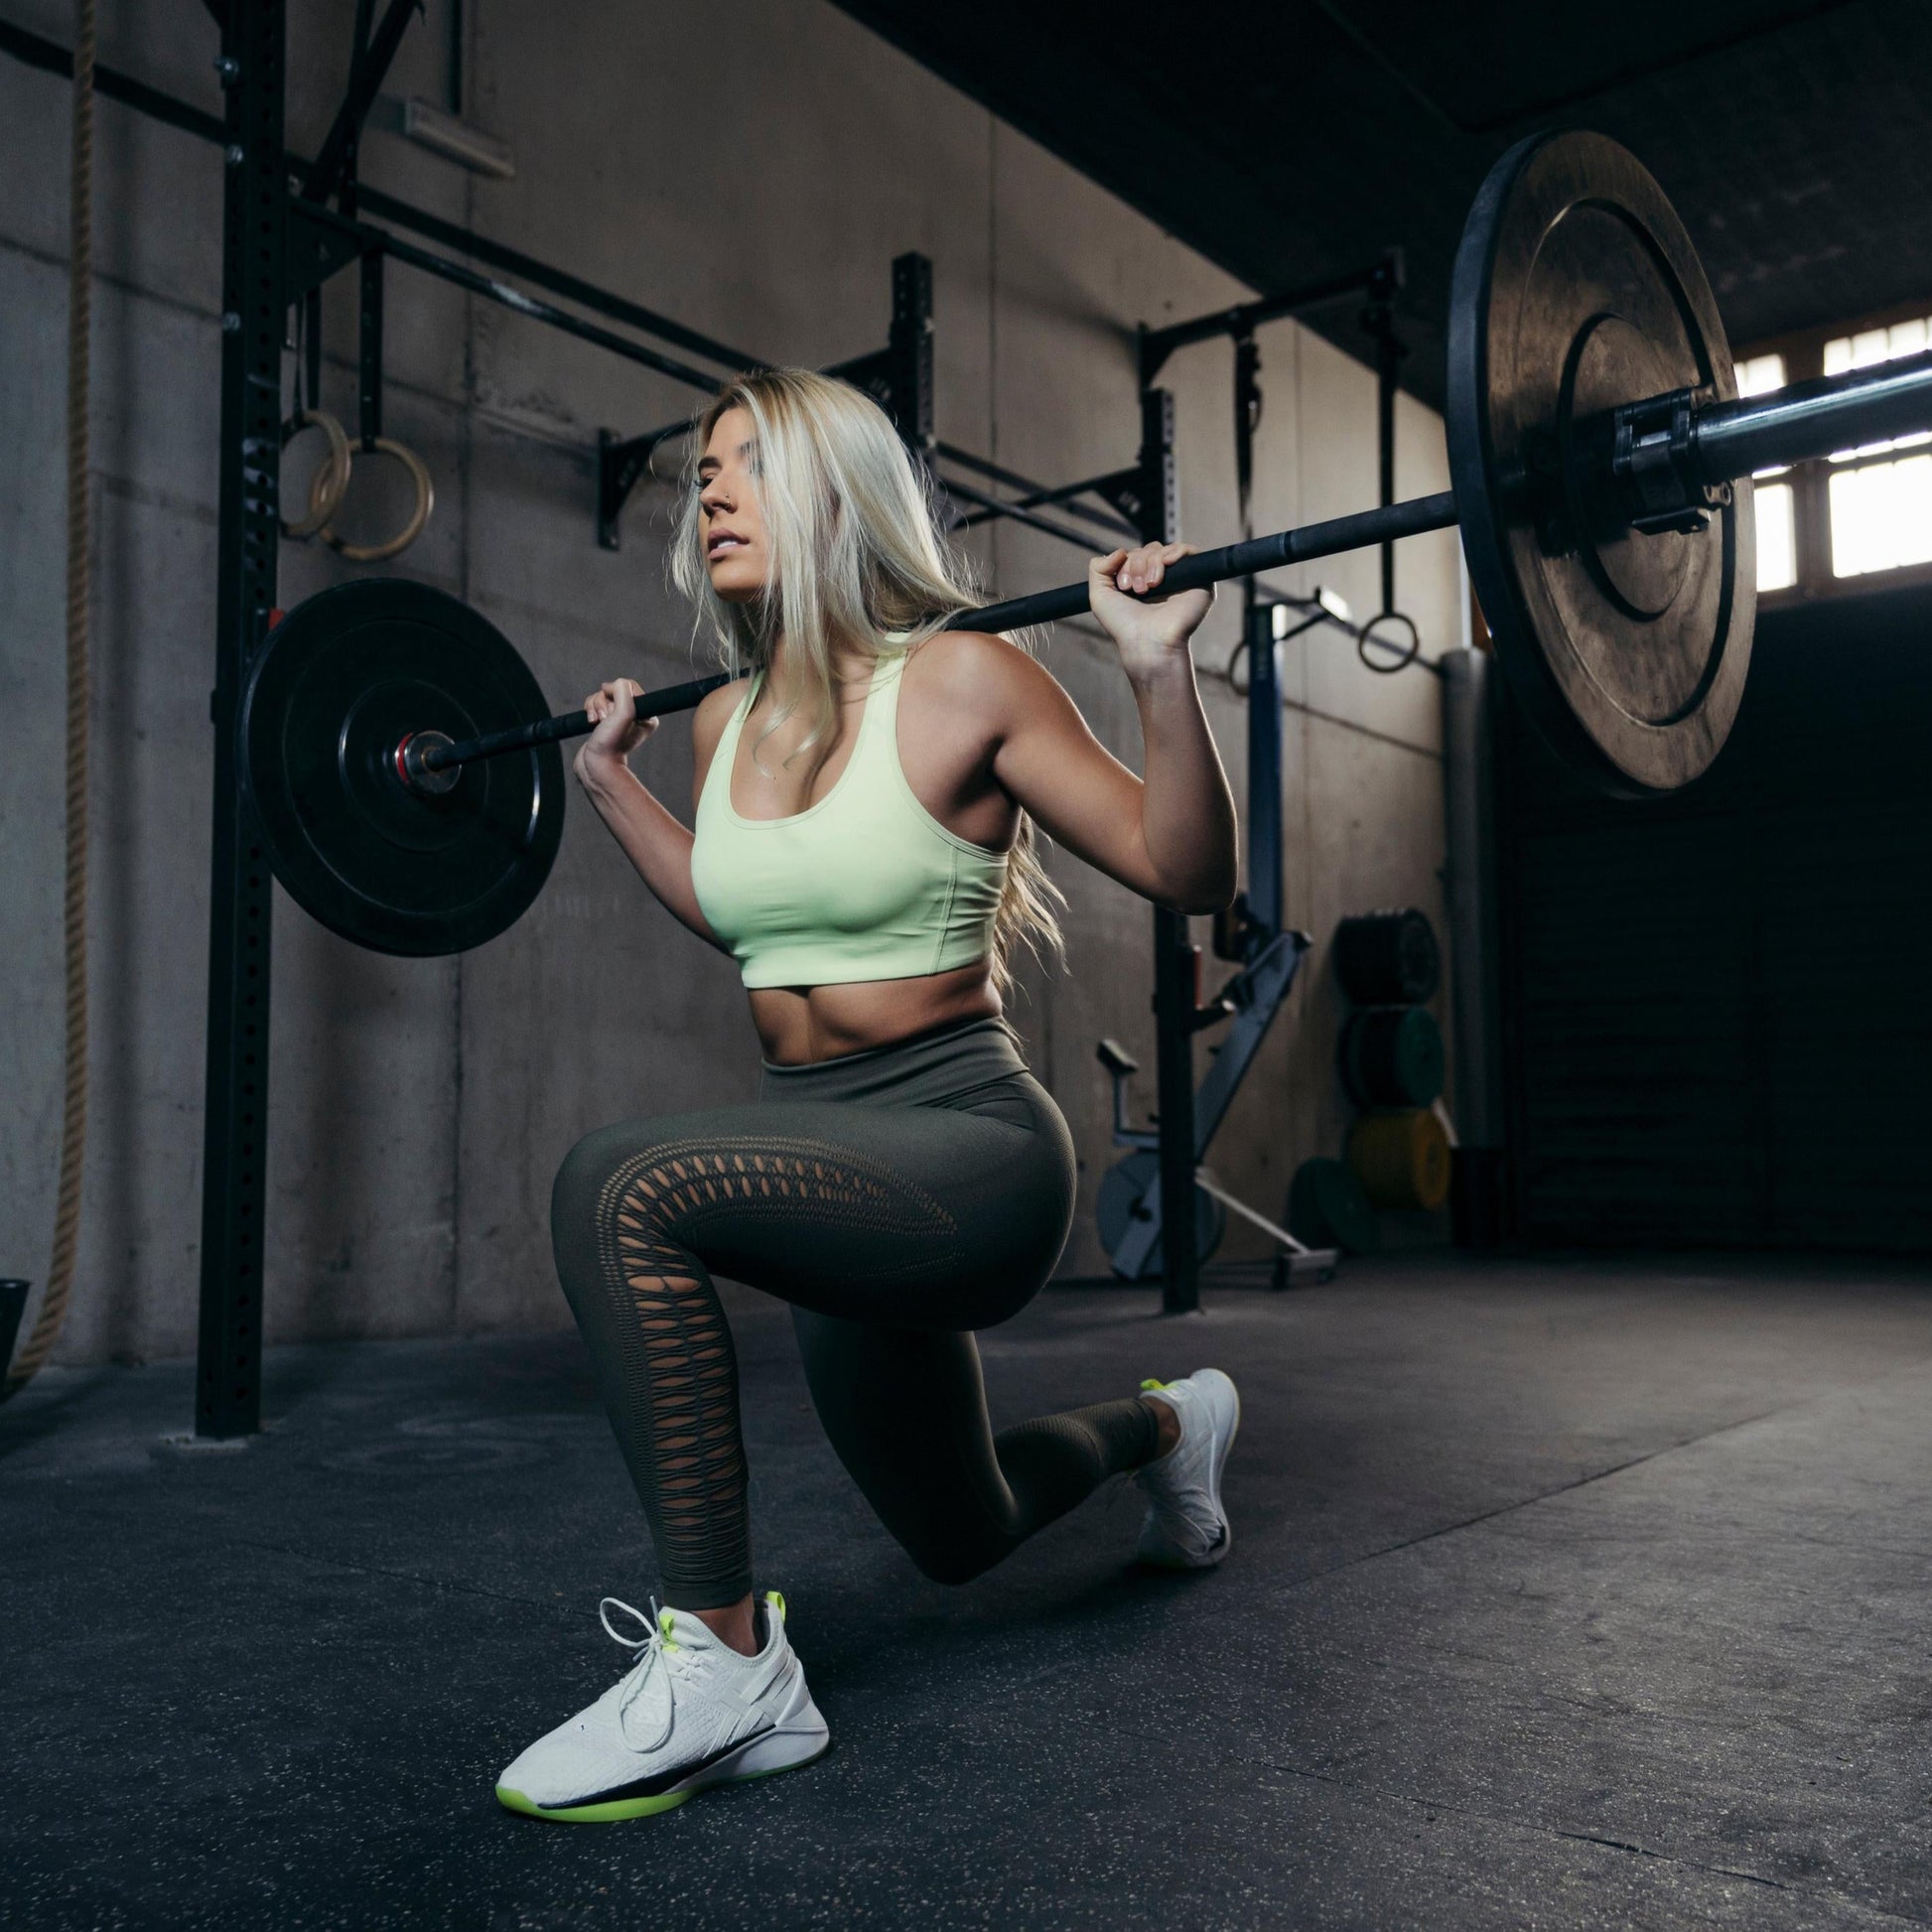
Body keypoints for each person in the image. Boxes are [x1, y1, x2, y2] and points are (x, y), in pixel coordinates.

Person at [495, 368, 1242, 1823]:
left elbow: (1187, 871)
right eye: (702, 471)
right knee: (961, 1531)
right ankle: (1172, 1429)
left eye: (749, 465)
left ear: (839, 496)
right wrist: (610, 785)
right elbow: (751, 921)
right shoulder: (724, 719)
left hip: (969, 1149)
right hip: (834, 1159)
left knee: (617, 1184)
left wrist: (1158, 670)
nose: (709, 492)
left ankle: (726, 1665)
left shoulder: (963, 677)